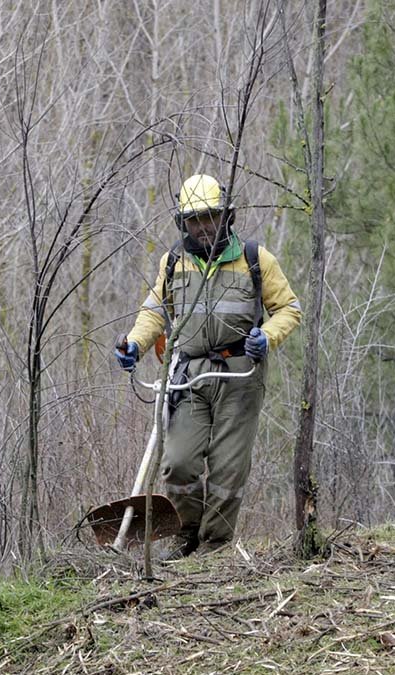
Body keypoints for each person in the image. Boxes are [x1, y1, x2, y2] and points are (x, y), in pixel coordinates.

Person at [115, 174, 302, 561]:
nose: (202, 227)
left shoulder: (255, 259)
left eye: (209, 217)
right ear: (183, 223)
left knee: (227, 468)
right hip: (189, 374)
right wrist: (135, 342)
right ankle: (186, 536)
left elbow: (288, 309)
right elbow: (154, 312)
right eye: (193, 220)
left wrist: (266, 337)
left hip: (239, 375)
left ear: (225, 217)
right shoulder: (173, 263)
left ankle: (214, 548)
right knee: (178, 463)